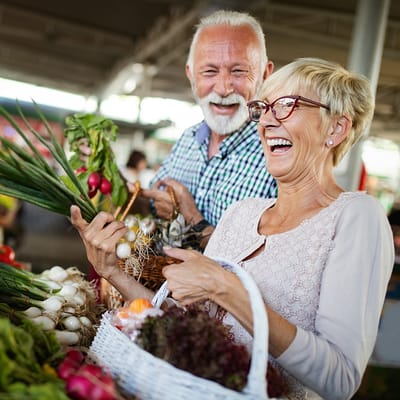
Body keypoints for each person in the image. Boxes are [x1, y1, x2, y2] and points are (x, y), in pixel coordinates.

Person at [70, 57, 394, 400]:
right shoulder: (240, 214)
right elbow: (185, 327)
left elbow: (341, 380)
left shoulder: (356, 216)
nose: (267, 121)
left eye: (286, 106)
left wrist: (226, 288)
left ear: (336, 129)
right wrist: (113, 272)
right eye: (263, 108)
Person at [140, 10, 277, 246]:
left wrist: (192, 218)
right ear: (191, 74)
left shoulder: (278, 153)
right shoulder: (188, 138)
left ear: (265, 74)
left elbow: (269, 259)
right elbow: (151, 205)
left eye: (238, 71)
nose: (224, 88)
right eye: (210, 71)